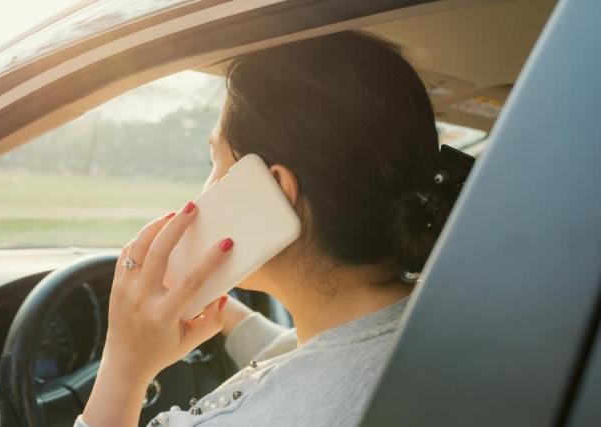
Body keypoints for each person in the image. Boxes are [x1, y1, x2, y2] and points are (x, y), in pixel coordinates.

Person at [77, 30, 472, 426]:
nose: (204, 193)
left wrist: (125, 366)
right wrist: (221, 309)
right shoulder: (456, 328)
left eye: (215, 165)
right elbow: (324, 360)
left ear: (277, 192)